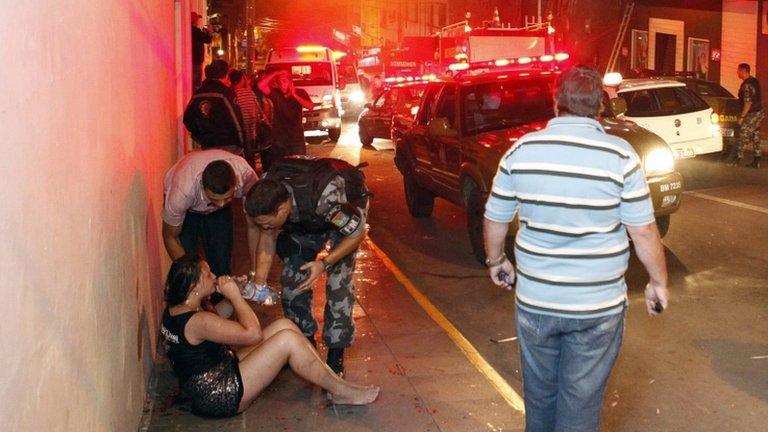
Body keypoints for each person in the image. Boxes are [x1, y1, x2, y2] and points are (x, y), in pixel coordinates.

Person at [483, 65, 669, 432]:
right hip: (597, 308)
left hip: (537, 303)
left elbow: (495, 217)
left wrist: (496, 260)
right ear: (601, 104)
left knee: (539, 397)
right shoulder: (621, 156)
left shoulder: (522, 150)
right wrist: (657, 282)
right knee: (580, 401)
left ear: (556, 101)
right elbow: (644, 230)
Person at [160, 255, 380, 418]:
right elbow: (252, 334)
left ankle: (334, 384)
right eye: (208, 274)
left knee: (284, 325)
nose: (215, 276)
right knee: (287, 340)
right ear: (194, 286)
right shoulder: (197, 322)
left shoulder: (177, 309)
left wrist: (240, 292)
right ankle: (340, 391)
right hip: (220, 394)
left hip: (212, 378)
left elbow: (216, 322)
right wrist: (236, 298)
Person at [243, 157, 371, 376]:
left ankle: (336, 353)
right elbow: (267, 236)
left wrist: (324, 263)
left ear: (283, 209)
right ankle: (304, 343)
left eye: (267, 223)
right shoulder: (265, 192)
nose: (264, 227)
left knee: (339, 282)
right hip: (306, 219)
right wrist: (259, 282)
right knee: (292, 280)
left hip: (345, 216)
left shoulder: (327, 199)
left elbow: (357, 234)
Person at [162, 149, 259, 281]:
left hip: (216, 214)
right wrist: (195, 280)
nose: (220, 204)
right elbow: (170, 237)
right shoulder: (181, 193)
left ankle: (219, 297)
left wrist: (255, 272)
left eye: (227, 197)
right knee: (189, 260)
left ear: (235, 184)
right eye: (214, 199)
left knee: (221, 264)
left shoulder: (245, 175)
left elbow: (255, 224)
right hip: (189, 211)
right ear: (202, 186)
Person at [183, 59, 245, 154]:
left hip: (207, 145)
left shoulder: (198, 93)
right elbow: (236, 120)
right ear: (225, 75)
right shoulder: (225, 93)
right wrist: (242, 142)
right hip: (228, 144)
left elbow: (188, 118)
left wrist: (199, 135)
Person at [257, 69, 314, 159]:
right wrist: (276, 72)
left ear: (290, 82)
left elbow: (310, 106)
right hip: (280, 139)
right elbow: (260, 85)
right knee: (283, 167)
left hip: (296, 137)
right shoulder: (276, 93)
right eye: (279, 82)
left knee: (300, 164)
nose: (282, 85)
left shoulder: (300, 92)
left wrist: (294, 95)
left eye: (284, 81)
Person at [229, 69, 271, 171]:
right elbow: (258, 112)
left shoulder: (230, 95)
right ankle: (252, 178)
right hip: (251, 130)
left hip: (236, 132)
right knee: (250, 157)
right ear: (241, 80)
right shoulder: (249, 93)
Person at [731, 63, 764, 168]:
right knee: (755, 135)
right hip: (759, 112)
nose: (737, 72)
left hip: (752, 113)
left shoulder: (747, 85)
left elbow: (748, 102)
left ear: (743, 71)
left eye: (738, 70)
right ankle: (757, 160)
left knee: (742, 134)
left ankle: (737, 159)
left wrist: (742, 117)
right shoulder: (754, 81)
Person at [191, 12, 213, 90]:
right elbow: (207, 39)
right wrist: (210, 32)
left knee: (195, 81)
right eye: (197, 19)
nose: (198, 21)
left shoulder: (193, 30)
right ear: (194, 20)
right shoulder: (195, 30)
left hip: (194, 60)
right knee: (197, 83)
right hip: (196, 61)